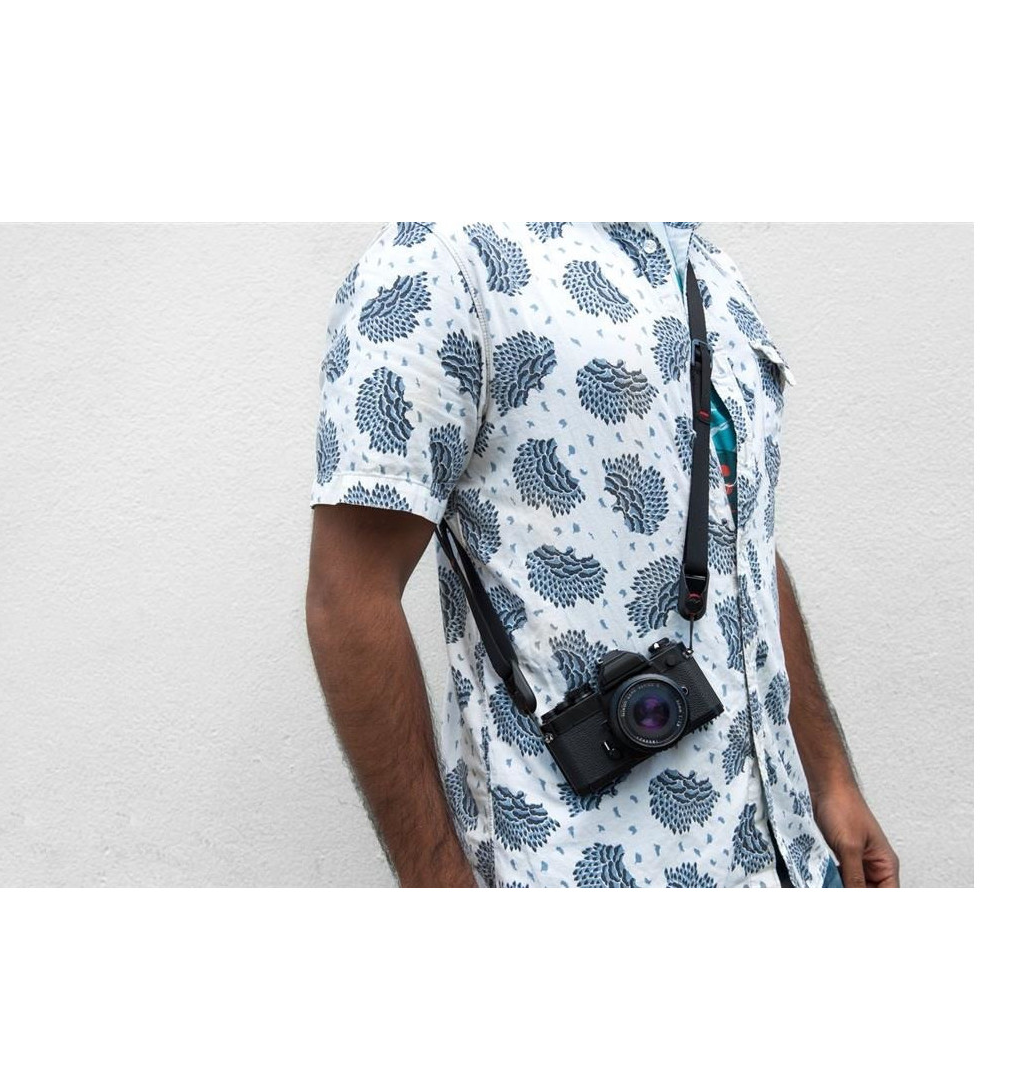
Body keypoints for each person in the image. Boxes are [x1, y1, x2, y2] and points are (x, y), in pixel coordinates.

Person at [306, 221, 899, 889]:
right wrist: (437, 883)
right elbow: (348, 596)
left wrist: (831, 778)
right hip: (572, 870)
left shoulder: (710, 269)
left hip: (794, 861)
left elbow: (743, 546)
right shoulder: (436, 262)